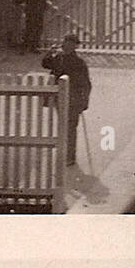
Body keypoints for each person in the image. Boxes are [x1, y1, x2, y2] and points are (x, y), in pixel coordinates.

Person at [42, 34, 92, 168]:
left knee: (69, 128)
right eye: (66, 43)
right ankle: (66, 155)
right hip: (60, 97)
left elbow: (86, 84)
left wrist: (84, 101)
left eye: (71, 44)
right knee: (65, 127)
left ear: (75, 46)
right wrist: (50, 53)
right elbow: (45, 63)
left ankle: (70, 156)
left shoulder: (79, 63)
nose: (67, 46)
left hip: (73, 99)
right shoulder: (59, 58)